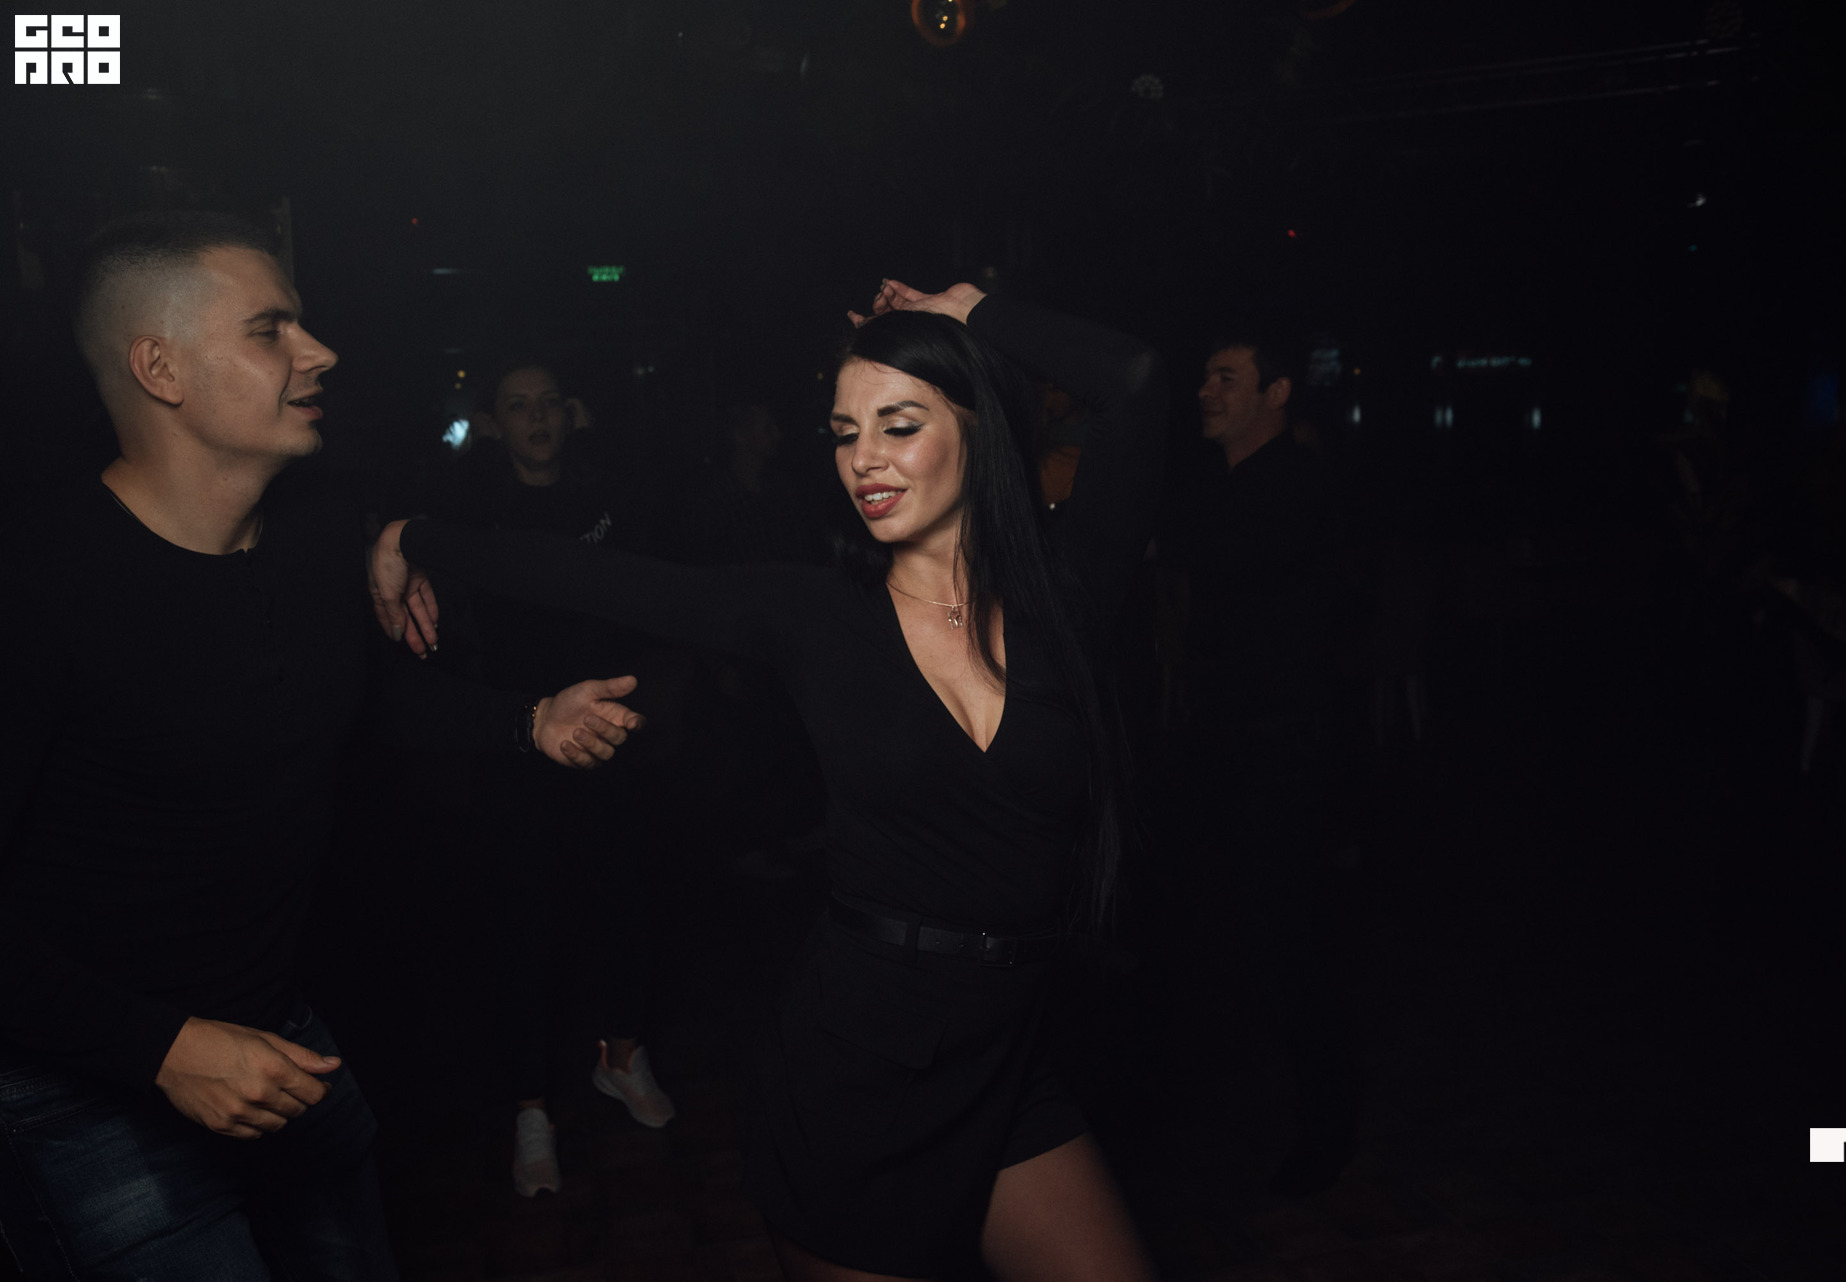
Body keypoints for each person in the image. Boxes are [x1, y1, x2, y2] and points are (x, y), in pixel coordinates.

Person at [371, 279, 1165, 1280]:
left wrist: (970, 312)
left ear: (977, 428)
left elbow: (1136, 380)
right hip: (860, 1065)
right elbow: (604, 579)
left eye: (898, 424)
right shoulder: (813, 616)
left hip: (1011, 1058)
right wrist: (411, 537)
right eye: (843, 433)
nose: (863, 459)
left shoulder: (1066, 591)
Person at [0, 210, 642, 1279]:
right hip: (88, 1084)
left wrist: (528, 719)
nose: (320, 351)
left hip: (281, 1039)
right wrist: (159, 1048)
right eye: (271, 330)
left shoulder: (305, 535)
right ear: (160, 368)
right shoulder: (36, 584)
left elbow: (361, 695)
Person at [421, 358, 680, 1196]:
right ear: (494, 422)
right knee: (523, 929)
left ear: (572, 415)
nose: (536, 418)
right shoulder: (469, 511)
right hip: (516, 752)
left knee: (628, 904)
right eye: (517, 405)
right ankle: (531, 1111)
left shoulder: (611, 500)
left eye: (549, 404)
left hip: (609, 744)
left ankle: (622, 1059)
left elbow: (653, 585)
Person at [1157, 332, 1364, 1198]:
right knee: (1206, 926)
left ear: (1276, 394)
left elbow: (1222, 564)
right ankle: (1222, 1110)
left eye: (1227, 377)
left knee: (1286, 938)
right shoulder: (1221, 482)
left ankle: (1324, 1129)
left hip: (1281, 746)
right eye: (1206, 376)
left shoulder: (1297, 486)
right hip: (1221, 739)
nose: (1206, 390)